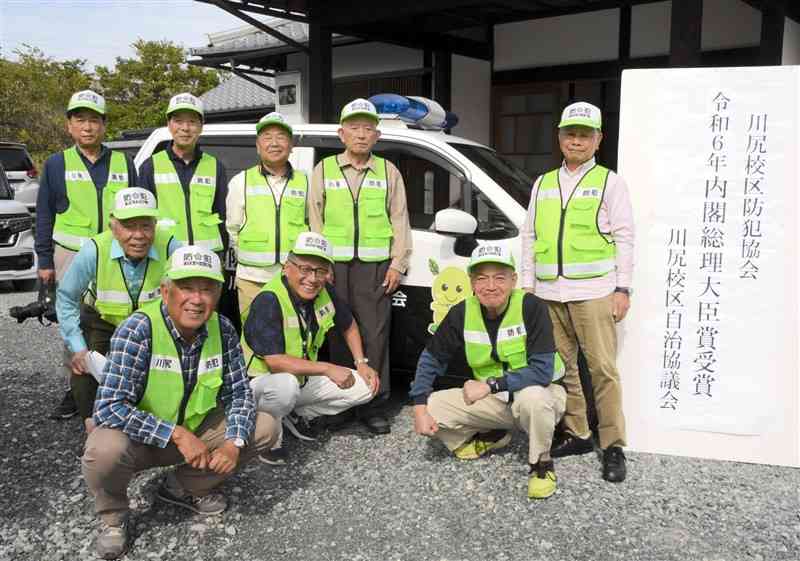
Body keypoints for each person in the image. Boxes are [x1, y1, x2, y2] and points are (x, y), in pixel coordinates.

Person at [82, 245, 278, 560]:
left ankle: (181, 486)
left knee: (265, 427)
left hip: (197, 433)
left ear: (218, 293)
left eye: (207, 289)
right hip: (144, 440)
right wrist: (174, 434)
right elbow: (108, 407)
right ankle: (113, 517)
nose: (197, 299)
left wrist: (233, 443)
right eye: (186, 287)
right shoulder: (138, 329)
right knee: (102, 450)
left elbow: (239, 392)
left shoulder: (223, 328)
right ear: (165, 290)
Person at [520, 101, 634, 483]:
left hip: (594, 291)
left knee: (602, 368)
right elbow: (529, 236)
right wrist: (528, 288)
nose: (577, 140)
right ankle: (580, 432)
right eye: (570, 133)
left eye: (585, 134)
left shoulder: (609, 182)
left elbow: (624, 237)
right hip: (550, 293)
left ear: (598, 140)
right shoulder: (544, 182)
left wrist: (623, 288)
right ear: (559, 137)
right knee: (563, 368)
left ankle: (613, 444)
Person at [410, 243, 566, 499]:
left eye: (499, 277)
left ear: (514, 280)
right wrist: (418, 408)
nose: (490, 286)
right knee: (432, 406)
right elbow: (431, 358)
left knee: (533, 398)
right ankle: (493, 434)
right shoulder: (462, 311)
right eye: (481, 278)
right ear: (472, 282)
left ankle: (541, 463)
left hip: (543, 396)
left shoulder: (531, 307)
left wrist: (489, 385)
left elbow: (542, 372)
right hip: (497, 402)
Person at [308, 98, 412, 435]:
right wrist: (321, 264)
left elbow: (400, 220)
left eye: (368, 128)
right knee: (338, 332)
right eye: (354, 127)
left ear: (377, 135)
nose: (361, 134)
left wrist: (398, 263)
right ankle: (342, 402)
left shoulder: (388, 172)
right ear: (342, 133)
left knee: (374, 333)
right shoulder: (323, 170)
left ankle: (373, 403)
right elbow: (314, 220)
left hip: (375, 266)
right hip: (334, 267)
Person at [35, 89, 139, 420]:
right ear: (69, 125)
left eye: (94, 120)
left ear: (104, 125)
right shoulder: (56, 163)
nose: (88, 127)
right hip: (70, 254)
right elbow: (44, 213)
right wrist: (45, 260)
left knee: (115, 316)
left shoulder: (124, 162)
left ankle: (119, 383)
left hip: (113, 253)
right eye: (80, 119)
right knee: (73, 319)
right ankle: (76, 385)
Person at [241, 232, 380, 464]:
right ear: (287, 267)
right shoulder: (269, 299)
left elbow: (349, 325)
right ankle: (268, 437)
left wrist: (361, 363)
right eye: (304, 269)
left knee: (366, 387)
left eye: (320, 271)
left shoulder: (324, 292)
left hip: (300, 379)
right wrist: (327, 368)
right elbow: (274, 361)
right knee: (285, 386)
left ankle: (293, 415)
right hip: (261, 384)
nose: (312, 278)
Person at [56, 188, 180, 434]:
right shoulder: (94, 250)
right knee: (83, 365)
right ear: (113, 227)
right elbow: (66, 297)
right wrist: (77, 345)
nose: (138, 236)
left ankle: (161, 419)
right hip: (102, 320)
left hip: (150, 323)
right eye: (128, 226)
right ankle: (93, 427)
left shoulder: (171, 246)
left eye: (145, 226)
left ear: (155, 225)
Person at [226, 112, 309, 317]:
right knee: (254, 338)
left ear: (291, 146)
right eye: (267, 137)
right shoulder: (241, 181)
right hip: (252, 279)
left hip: (294, 278)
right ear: (257, 145)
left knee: (292, 336)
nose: (274, 143)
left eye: (281, 137)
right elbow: (232, 229)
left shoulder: (306, 181)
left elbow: (312, 226)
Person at [138, 93, 227, 252]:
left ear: (201, 126)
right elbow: (143, 217)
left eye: (192, 122)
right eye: (178, 121)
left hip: (206, 257)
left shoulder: (215, 166)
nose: (185, 128)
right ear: (169, 124)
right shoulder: (150, 166)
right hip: (166, 255)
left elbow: (222, 215)